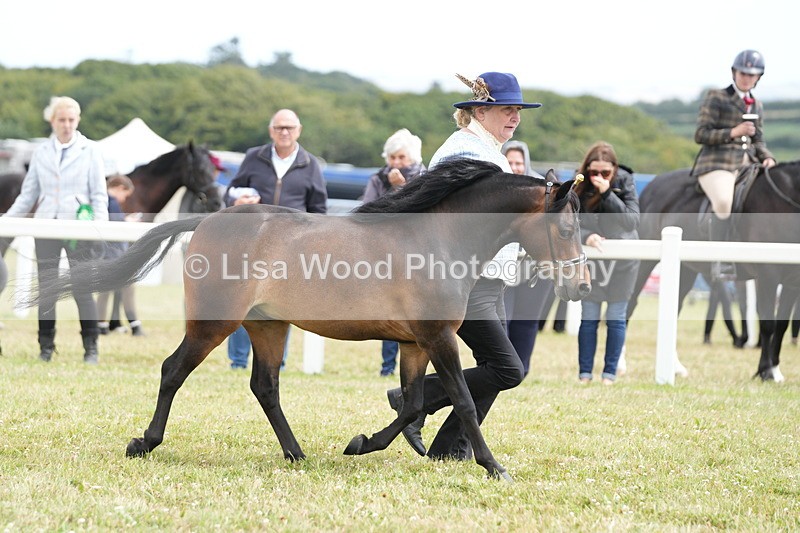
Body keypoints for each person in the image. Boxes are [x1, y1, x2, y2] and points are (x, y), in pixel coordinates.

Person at [387, 72, 541, 460]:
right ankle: (415, 399)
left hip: (487, 280)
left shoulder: (486, 150)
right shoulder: (467, 152)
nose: (515, 117)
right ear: (479, 111)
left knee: (497, 369)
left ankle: (448, 450)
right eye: (507, 109)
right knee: (507, 369)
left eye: (518, 110)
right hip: (469, 282)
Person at [2, 96, 108, 363]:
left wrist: (101, 228)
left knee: (82, 287)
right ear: (53, 121)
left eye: (72, 120)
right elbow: (28, 196)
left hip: (79, 228)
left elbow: (99, 194)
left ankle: (91, 348)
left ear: (78, 120)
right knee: (47, 287)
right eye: (62, 120)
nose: (67, 125)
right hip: (46, 224)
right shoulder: (40, 153)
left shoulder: (91, 150)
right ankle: (46, 347)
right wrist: (7, 222)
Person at [223, 108, 328, 370]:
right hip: (250, 240)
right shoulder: (253, 157)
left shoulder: (310, 163)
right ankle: (237, 362)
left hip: (290, 247)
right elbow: (229, 193)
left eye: (289, 128)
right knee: (240, 298)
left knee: (282, 303)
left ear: (298, 130)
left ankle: (276, 361)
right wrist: (236, 200)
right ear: (271, 131)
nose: (284, 132)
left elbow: (319, 210)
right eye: (279, 127)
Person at [691, 49, 776, 281]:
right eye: (743, 73)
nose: (747, 77)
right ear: (734, 72)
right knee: (724, 202)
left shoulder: (757, 105)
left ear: (758, 77)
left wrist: (768, 157)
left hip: (749, 163)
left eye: (752, 74)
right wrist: (733, 132)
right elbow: (701, 134)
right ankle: (720, 260)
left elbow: (758, 140)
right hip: (717, 162)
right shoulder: (716, 96)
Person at [574, 141, 639, 384]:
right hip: (593, 262)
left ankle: (609, 373)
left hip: (623, 263)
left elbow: (631, 221)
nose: (598, 176)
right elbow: (568, 222)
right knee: (589, 317)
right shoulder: (579, 183)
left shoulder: (625, 181)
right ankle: (585, 373)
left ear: (614, 169)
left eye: (605, 172)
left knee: (616, 317)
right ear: (586, 168)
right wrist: (585, 237)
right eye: (593, 172)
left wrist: (607, 193)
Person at [363, 128, 426, 377]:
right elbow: (367, 211)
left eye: (401, 157)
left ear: (412, 158)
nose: (396, 163)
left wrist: (401, 188)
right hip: (383, 255)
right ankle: (387, 366)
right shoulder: (378, 179)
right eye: (392, 158)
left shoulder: (425, 178)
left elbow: (420, 214)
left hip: (416, 257)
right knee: (389, 314)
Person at [499, 140, 551, 376]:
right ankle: (501, 368)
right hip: (503, 268)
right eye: (510, 162)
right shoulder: (494, 191)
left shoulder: (542, 191)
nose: (515, 167)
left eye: (519, 162)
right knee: (504, 321)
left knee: (527, 321)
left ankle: (522, 371)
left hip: (535, 269)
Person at [96, 174, 144, 336]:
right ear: (120, 188)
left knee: (104, 291)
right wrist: (128, 223)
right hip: (115, 254)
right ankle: (135, 326)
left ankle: (101, 325)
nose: (124, 199)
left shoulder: (102, 201)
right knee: (128, 287)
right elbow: (116, 227)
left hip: (104, 255)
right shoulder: (112, 202)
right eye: (125, 195)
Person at [703, 276, 741, 347]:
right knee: (725, 302)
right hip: (715, 273)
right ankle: (735, 337)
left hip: (716, 274)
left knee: (714, 304)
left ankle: (706, 336)